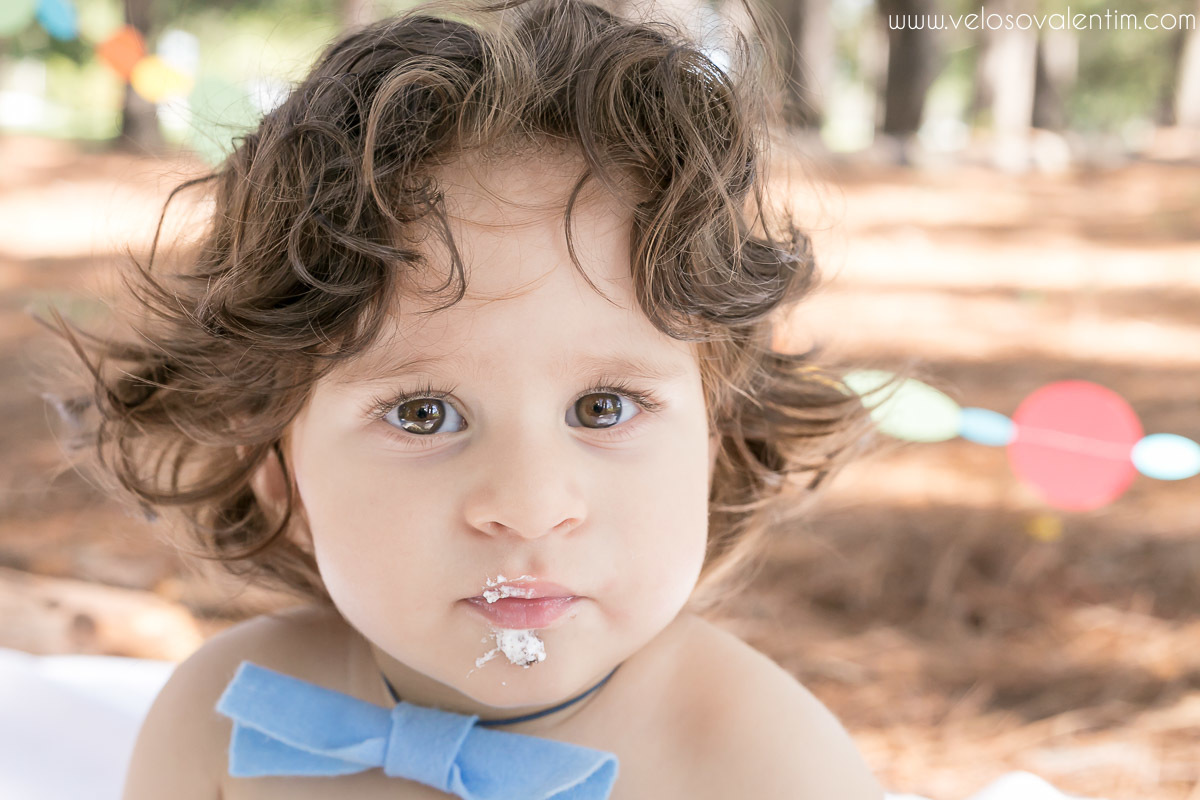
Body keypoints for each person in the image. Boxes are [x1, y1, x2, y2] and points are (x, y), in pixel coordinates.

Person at [55, 0, 885, 797]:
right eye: (423, 414)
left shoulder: (771, 768)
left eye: (603, 408)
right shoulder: (221, 720)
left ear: (710, 449)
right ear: (280, 475)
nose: (527, 507)